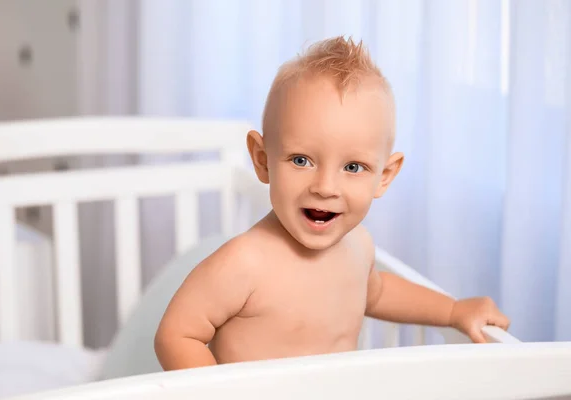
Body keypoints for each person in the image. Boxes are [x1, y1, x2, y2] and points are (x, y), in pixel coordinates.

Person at [154, 36, 510, 371]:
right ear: (262, 160)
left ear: (384, 176)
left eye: (353, 167)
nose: (325, 187)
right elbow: (177, 334)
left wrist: (452, 310)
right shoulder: (243, 263)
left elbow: (378, 291)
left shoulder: (359, 247)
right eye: (301, 160)